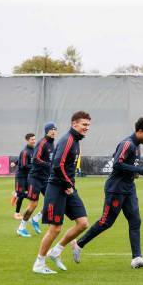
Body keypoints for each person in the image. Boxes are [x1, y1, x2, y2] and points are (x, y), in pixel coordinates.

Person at [71, 117, 143, 268]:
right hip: (116, 189)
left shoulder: (136, 145)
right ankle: (78, 244)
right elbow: (117, 163)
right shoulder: (128, 144)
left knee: (135, 221)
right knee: (106, 222)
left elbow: (117, 157)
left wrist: (133, 173)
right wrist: (139, 170)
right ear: (139, 131)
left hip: (129, 188)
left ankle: (136, 258)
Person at [32, 111, 91, 274]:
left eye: (88, 125)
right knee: (55, 229)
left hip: (68, 188)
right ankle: (39, 263)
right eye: (84, 124)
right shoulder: (68, 141)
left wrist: (70, 186)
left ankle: (56, 251)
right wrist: (68, 184)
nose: (87, 128)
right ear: (74, 124)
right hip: (58, 188)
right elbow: (58, 166)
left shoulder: (76, 141)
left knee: (83, 223)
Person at [17, 123, 57, 236]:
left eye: (55, 129)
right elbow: (35, 159)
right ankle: (21, 228)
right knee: (33, 204)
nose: (53, 131)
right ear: (47, 131)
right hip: (35, 178)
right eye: (51, 130)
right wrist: (49, 165)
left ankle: (36, 219)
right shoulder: (42, 143)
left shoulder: (52, 144)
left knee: (52, 201)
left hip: (46, 178)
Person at [12, 133, 36, 225]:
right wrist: (35, 166)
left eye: (34, 139)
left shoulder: (34, 149)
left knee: (30, 194)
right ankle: (17, 213)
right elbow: (24, 165)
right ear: (27, 140)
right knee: (22, 195)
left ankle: (16, 193)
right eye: (32, 139)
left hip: (28, 176)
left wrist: (15, 162)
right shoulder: (25, 151)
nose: (34, 141)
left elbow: (20, 159)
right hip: (21, 176)